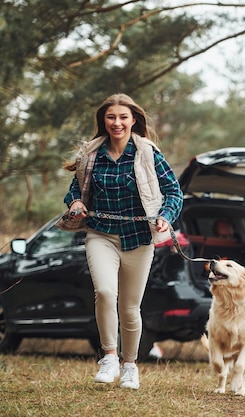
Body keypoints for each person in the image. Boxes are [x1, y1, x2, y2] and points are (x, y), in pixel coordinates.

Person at [63, 93, 183, 389]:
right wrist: (76, 203)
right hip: (100, 233)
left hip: (140, 237)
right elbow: (73, 191)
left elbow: (174, 193)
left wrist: (165, 216)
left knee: (130, 307)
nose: (117, 123)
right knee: (105, 292)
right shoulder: (90, 154)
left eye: (122, 117)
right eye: (111, 117)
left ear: (133, 121)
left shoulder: (147, 153)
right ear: (104, 121)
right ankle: (109, 357)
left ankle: (130, 365)